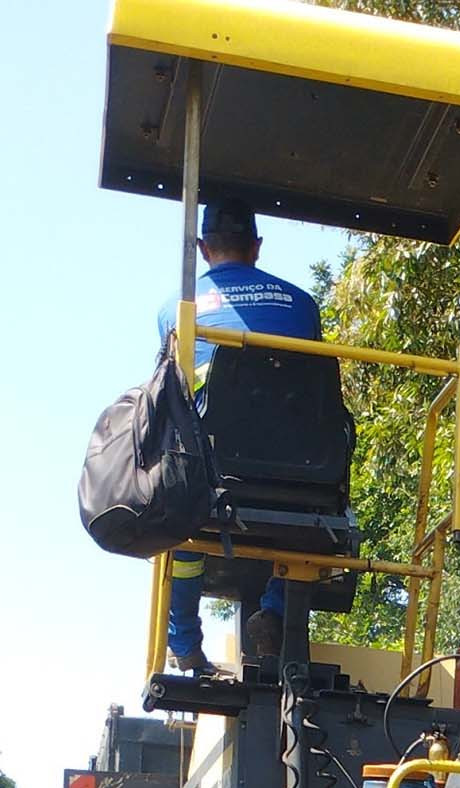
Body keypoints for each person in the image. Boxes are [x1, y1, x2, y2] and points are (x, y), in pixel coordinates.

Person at [157, 196, 324, 684]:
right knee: (304, 534)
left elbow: (166, 393)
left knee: (184, 537)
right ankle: (273, 607)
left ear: (204, 248)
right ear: (256, 247)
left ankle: (184, 644)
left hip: (213, 472)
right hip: (301, 469)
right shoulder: (301, 303)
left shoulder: (177, 310)